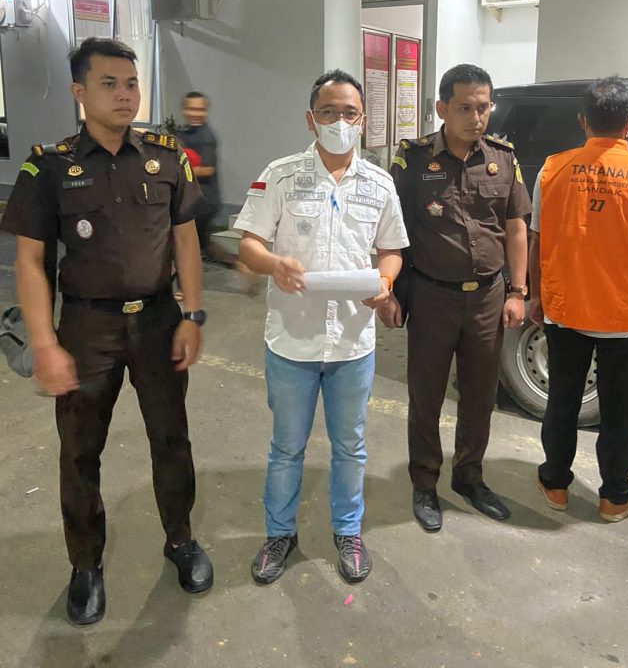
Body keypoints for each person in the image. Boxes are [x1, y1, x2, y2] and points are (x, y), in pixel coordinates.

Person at [1, 37, 213, 626]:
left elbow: (186, 240)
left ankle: (180, 539)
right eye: (109, 84)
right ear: (79, 91)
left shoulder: (167, 158)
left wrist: (193, 314)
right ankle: (85, 565)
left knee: (171, 439)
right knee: (79, 452)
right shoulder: (49, 165)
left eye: (131, 84)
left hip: (158, 321)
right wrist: (44, 343)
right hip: (87, 327)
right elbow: (30, 262)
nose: (124, 95)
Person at [235, 69, 409, 585]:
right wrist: (273, 264)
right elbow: (249, 243)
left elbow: (392, 249)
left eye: (349, 113)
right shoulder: (281, 176)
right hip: (292, 340)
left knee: (350, 447)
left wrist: (385, 282)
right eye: (328, 112)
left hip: (352, 343)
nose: (339, 122)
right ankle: (279, 533)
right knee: (286, 447)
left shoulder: (380, 184)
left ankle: (348, 531)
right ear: (311, 119)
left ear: (363, 120)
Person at [378, 63, 531, 532]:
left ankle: (469, 477)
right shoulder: (412, 160)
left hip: (487, 298)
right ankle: (425, 483)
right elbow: (390, 230)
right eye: (465, 107)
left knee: (480, 396)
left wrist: (518, 291)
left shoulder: (503, 158)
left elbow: (516, 228)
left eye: (483, 107)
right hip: (431, 296)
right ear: (442, 108)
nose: (476, 117)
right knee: (426, 396)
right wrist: (388, 290)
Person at [530, 76, 628, 521]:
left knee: (562, 401)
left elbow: (538, 241)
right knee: (617, 410)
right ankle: (615, 495)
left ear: (583, 121)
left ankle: (555, 483)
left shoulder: (552, 170)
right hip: (625, 317)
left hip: (565, 310)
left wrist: (537, 295)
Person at [177, 91, 258, 293]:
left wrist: (177, 169)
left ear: (206, 111)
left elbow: (207, 169)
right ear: (184, 110)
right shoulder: (188, 132)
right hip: (197, 199)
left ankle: (185, 288)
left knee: (184, 244)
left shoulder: (205, 136)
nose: (196, 113)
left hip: (202, 200)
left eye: (200, 109)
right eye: (191, 109)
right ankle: (242, 265)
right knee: (204, 244)